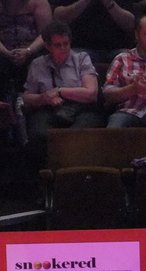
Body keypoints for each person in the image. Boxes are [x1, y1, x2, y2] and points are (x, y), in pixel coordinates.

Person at [22, 20, 103, 167]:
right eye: (58, 45)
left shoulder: (81, 58)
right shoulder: (37, 64)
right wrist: (43, 98)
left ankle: (74, 172)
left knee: (77, 135)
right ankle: (46, 174)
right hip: (48, 108)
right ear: (48, 46)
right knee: (39, 135)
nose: (63, 48)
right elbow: (27, 98)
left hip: (82, 109)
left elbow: (91, 93)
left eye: (66, 43)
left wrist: (59, 91)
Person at [51, 0, 134, 64]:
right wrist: (84, 2)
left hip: (117, 48)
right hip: (81, 47)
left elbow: (131, 24)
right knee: (70, 57)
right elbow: (58, 16)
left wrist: (109, 3)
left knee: (130, 58)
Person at [0, 0, 51, 96]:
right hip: (3, 51)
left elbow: (45, 34)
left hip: (33, 50)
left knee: (38, 62)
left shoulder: (39, 2)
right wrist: (6, 52)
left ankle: (29, 98)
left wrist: (28, 51)